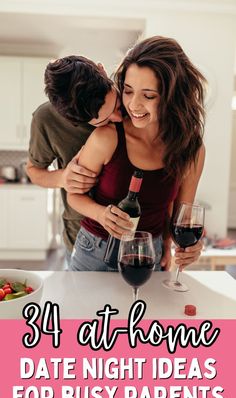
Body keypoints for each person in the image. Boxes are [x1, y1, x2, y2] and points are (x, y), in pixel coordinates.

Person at [67, 36, 206, 272]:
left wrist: (186, 245)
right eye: (128, 91)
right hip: (95, 253)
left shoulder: (191, 149)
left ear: (173, 96)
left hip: (147, 254)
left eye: (149, 95)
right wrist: (101, 214)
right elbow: (74, 196)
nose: (133, 105)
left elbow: (182, 215)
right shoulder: (107, 137)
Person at [26, 55, 122, 262]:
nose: (119, 118)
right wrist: (63, 178)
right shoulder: (46, 119)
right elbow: (33, 171)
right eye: (103, 120)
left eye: (116, 105)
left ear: (102, 70)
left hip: (136, 233)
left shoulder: (131, 96)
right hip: (81, 235)